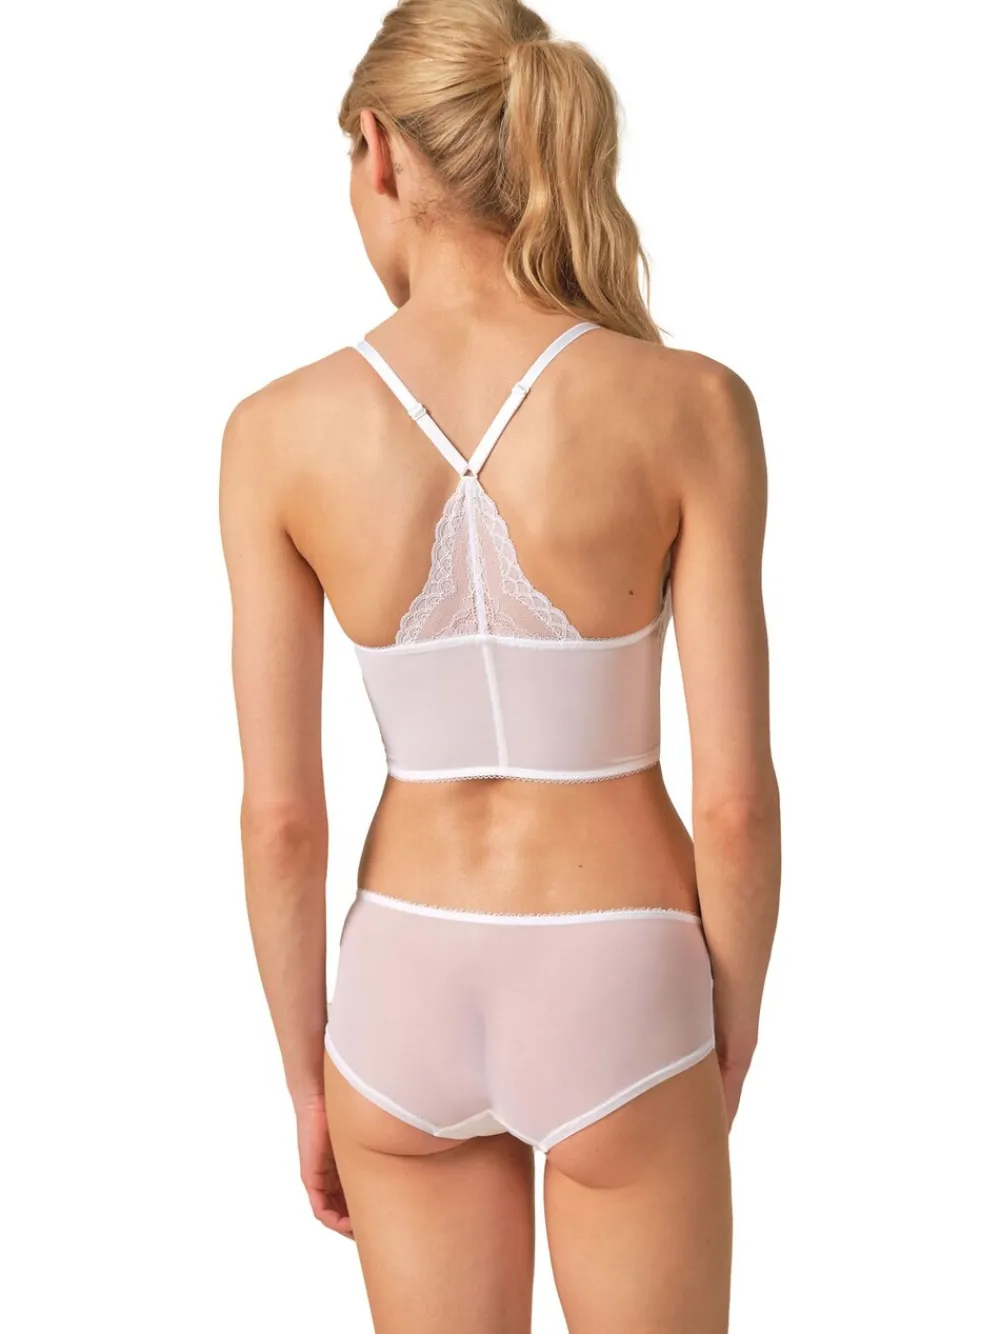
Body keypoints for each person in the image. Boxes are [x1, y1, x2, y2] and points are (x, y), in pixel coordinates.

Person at [219, 1, 780, 1329]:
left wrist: (309, 1072)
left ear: (380, 150)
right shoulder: (692, 406)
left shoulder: (273, 433)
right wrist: (728, 1024)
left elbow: (282, 817)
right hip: (618, 965)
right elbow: (734, 803)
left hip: (402, 978)